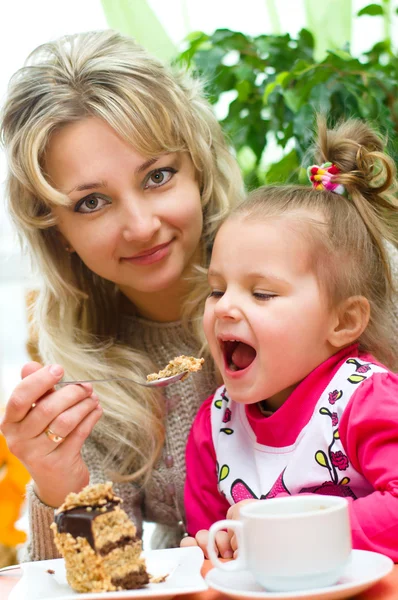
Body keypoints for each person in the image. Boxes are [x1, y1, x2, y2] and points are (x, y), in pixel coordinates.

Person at [0, 29, 244, 560]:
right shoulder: (84, 378)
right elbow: (108, 573)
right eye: (91, 203)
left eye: (157, 175)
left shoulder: (314, 271)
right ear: (55, 230)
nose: (140, 226)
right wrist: (58, 479)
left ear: (197, 168)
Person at [183, 118, 398, 562]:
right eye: (217, 289)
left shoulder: (364, 400)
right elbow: (209, 545)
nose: (224, 308)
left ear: (343, 321)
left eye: (262, 293)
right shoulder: (215, 426)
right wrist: (208, 547)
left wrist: (287, 532)